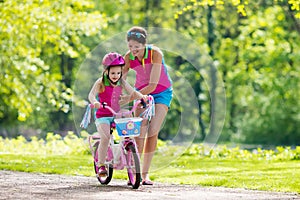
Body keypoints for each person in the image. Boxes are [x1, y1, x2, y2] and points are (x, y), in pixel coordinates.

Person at [122, 26, 173, 185]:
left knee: (153, 130)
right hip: (139, 93)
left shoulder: (155, 53)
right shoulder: (128, 57)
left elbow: (153, 85)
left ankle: (145, 175)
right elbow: (120, 79)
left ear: (144, 44)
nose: (133, 50)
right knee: (139, 131)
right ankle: (135, 173)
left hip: (161, 93)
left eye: (137, 47)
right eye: (130, 46)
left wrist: (129, 98)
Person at [88, 52, 146, 176]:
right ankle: (102, 165)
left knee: (128, 118)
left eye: (118, 73)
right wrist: (95, 102)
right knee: (106, 138)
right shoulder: (101, 82)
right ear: (106, 71)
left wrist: (143, 98)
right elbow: (91, 95)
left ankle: (127, 146)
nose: (116, 76)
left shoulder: (121, 82)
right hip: (102, 115)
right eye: (113, 73)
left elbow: (133, 92)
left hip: (115, 114)